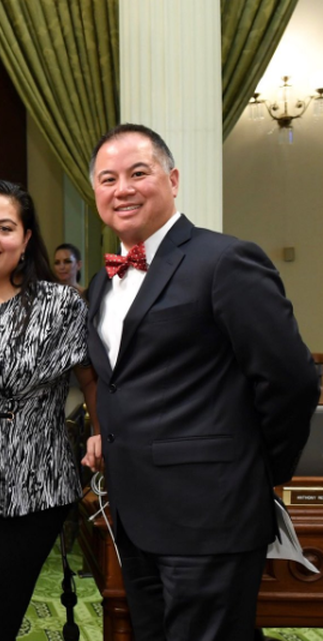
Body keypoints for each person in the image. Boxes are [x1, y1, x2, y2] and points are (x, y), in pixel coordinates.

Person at [83, 124, 319, 641]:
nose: (121, 188)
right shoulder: (102, 282)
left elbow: (293, 380)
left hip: (212, 511)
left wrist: (258, 470)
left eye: (137, 173)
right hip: (136, 514)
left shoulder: (225, 260)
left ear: (172, 180)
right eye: (107, 179)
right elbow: (122, 383)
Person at [0, 180, 98, 639]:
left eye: (4, 228)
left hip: (29, 487)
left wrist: (100, 435)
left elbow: (91, 380)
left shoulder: (59, 303)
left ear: (26, 237)